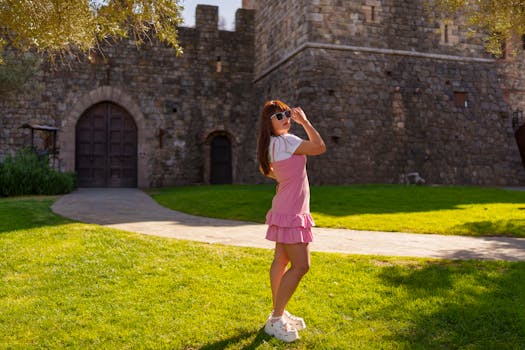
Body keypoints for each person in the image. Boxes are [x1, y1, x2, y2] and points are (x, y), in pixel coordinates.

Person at [256, 100, 326, 342]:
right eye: (279, 116)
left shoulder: (271, 144)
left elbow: (265, 170)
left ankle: (279, 313)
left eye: (286, 114)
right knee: (301, 266)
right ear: (269, 123)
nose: (285, 118)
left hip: (283, 207)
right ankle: (275, 319)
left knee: (281, 260)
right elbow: (319, 147)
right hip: (292, 210)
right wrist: (304, 121)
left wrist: (283, 181)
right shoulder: (287, 141)